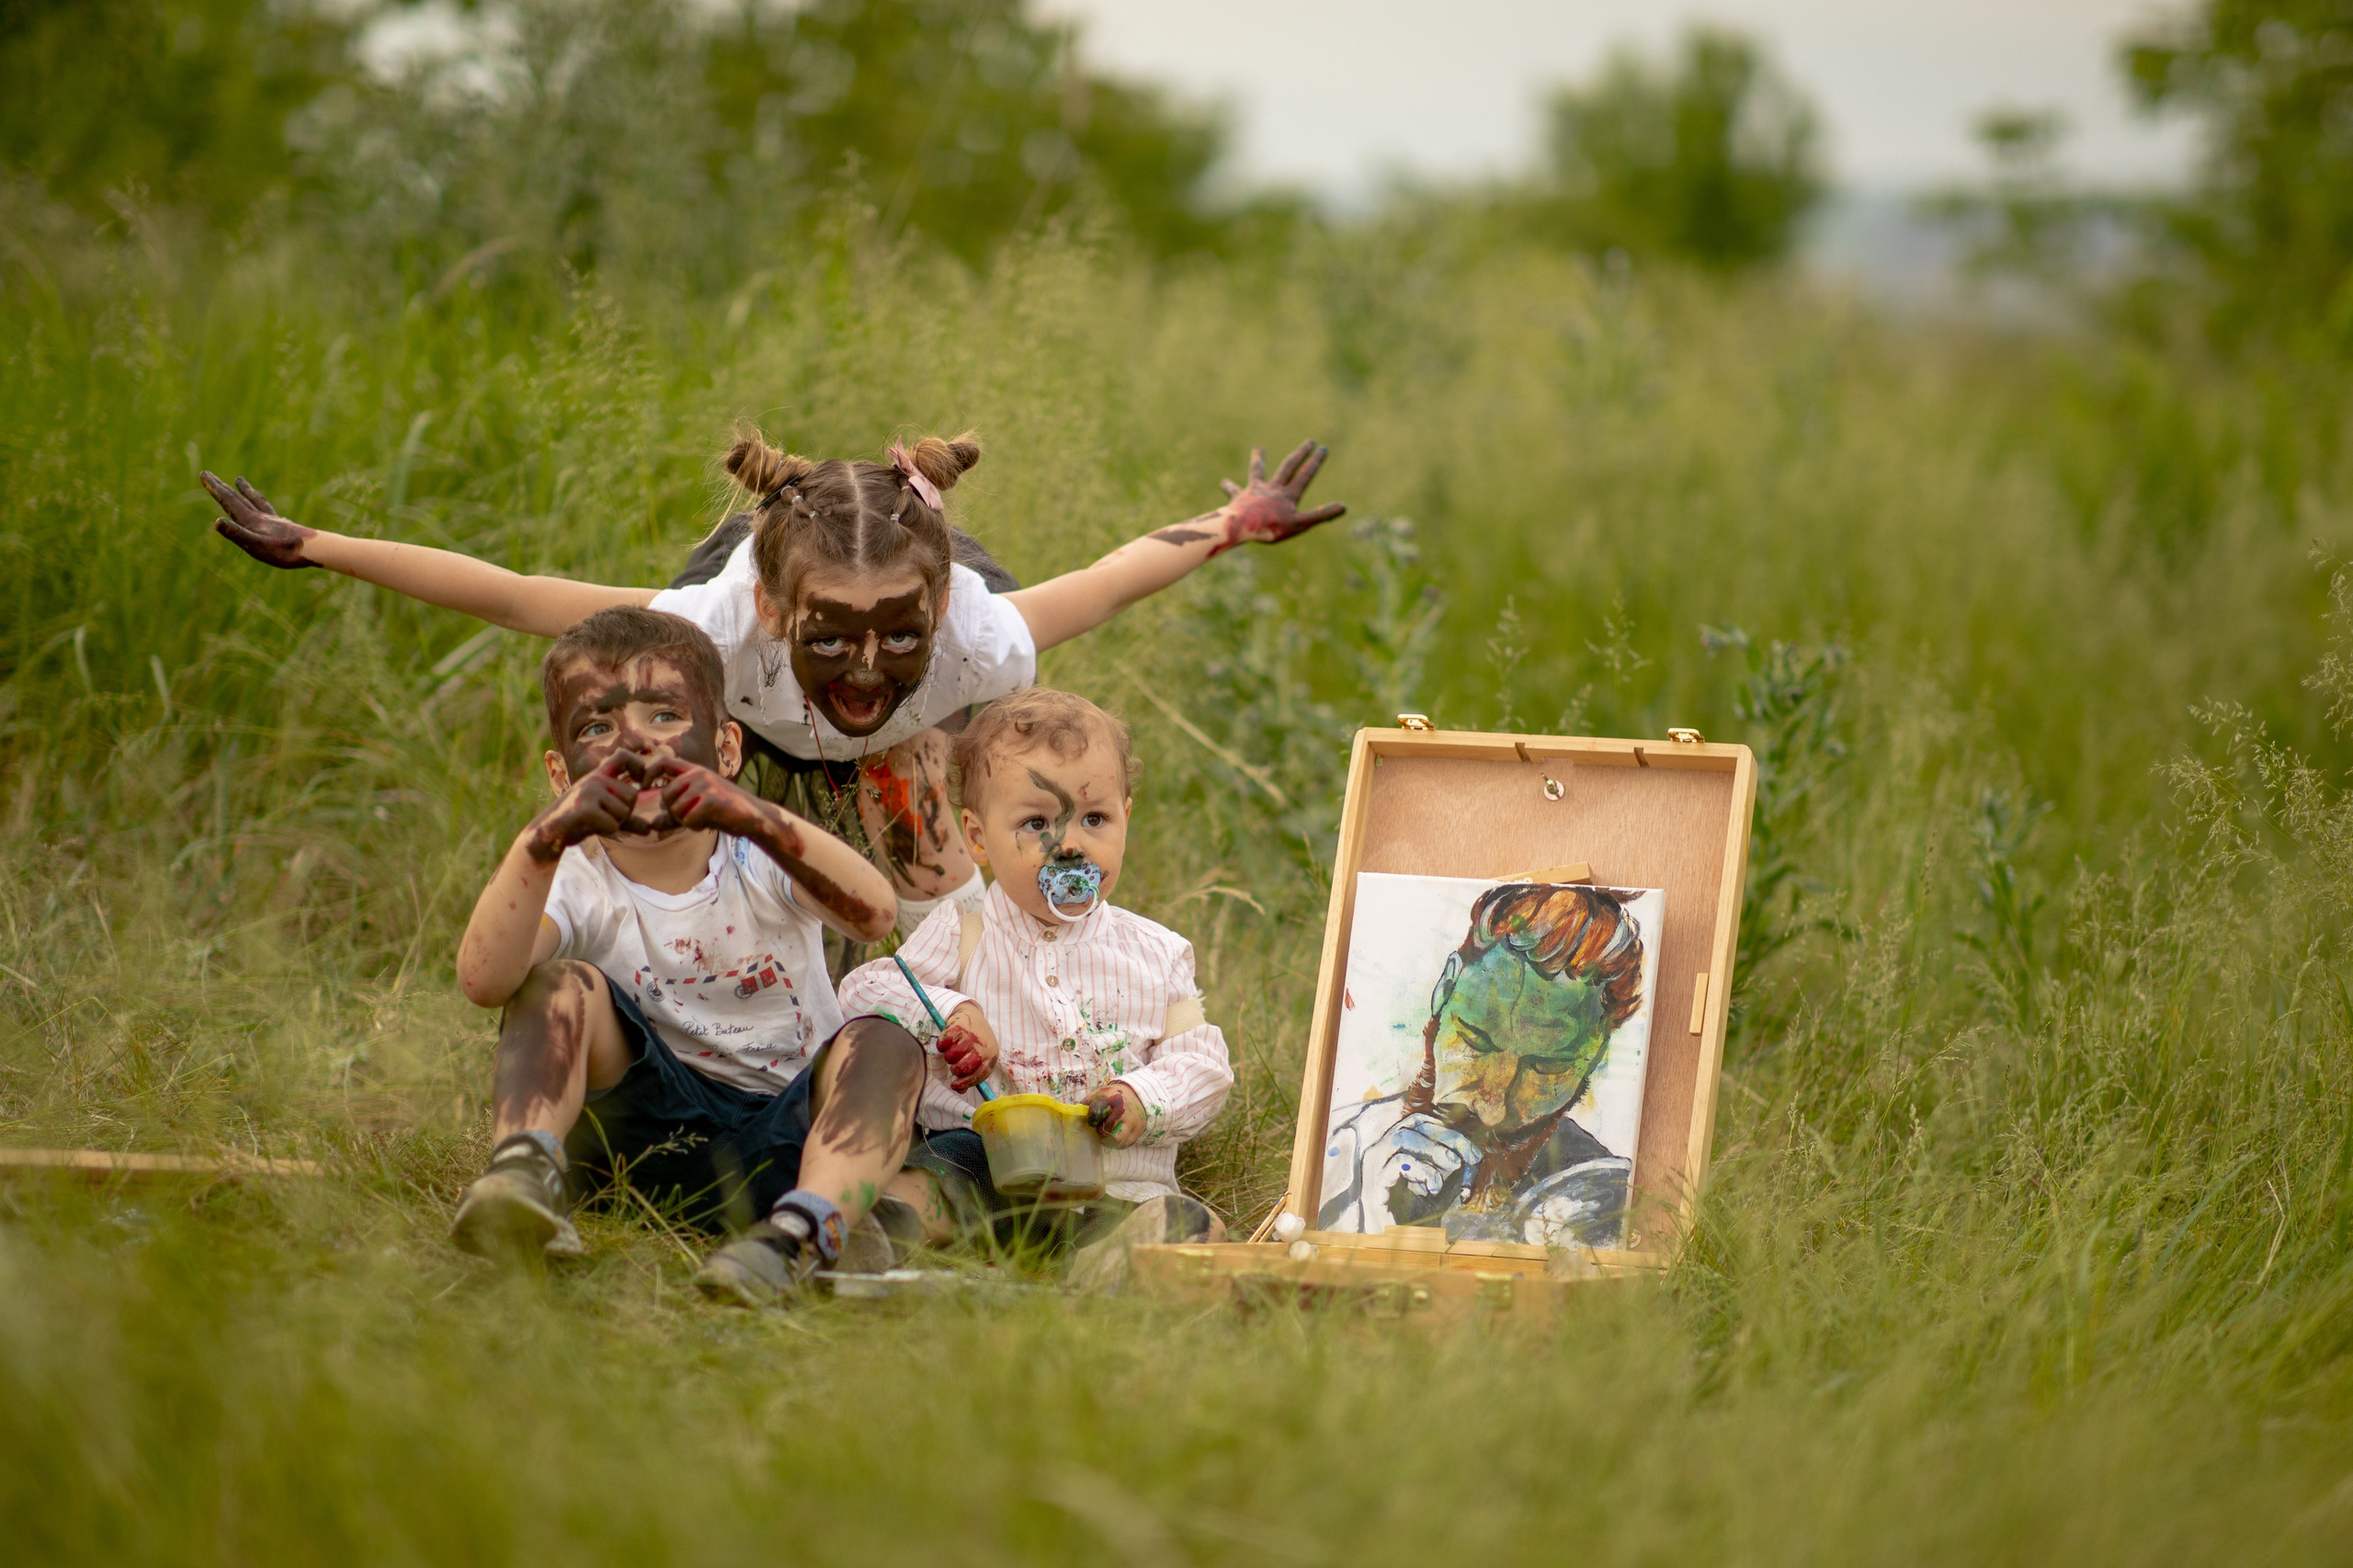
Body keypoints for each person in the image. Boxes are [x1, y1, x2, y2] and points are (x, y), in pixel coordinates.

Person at [199, 432, 1343, 937]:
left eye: (893, 637)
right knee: (726, 886)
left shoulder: (971, 643)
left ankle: (945, 1056)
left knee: (939, 907)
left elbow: (1104, 582)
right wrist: (322, 547)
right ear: (772, 611)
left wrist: (1231, 526)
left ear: (937, 615)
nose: (862, 666)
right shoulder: (710, 626)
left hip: (902, 751)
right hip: (754, 735)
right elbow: (512, 591)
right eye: (828, 638)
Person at [448, 605, 995, 1305]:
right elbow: (486, 982)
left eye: (665, 718)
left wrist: (751, 816)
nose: (634, 747)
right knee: (556, 985)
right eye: (597, 728)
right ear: (562, 774)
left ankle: (801, 1230)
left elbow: (873, 913)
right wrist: (541, 842)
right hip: (640, 1146)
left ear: (727, 750)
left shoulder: (758, 855)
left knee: (885, 1046)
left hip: (793, 1142)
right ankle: (523, 1175)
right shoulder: (576, 878)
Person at [836, 687, 1232, 1288]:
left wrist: (1140, 1099)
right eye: (1037, 823)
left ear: (1127, 815)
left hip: (1113, 1183)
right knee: (930, 1183)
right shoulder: (964, 932)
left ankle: (1096, 1271)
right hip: (983, 1167)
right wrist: (952, 1010)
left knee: (1188, 1223)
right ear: (977, 838)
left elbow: (1204, 1065)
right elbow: (866, 989)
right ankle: (881, 1233)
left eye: (1094, 819)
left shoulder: (1160, 955)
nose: (1070, 844)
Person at [1316, 884, 1650, 1249]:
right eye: (1476, 1042)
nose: (1491, 1110)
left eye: (1545, 1068)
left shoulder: (1598, 1199)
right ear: (1445, 988)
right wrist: (1374, 1225)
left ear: (1596, 1053)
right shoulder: (1335, 1147)